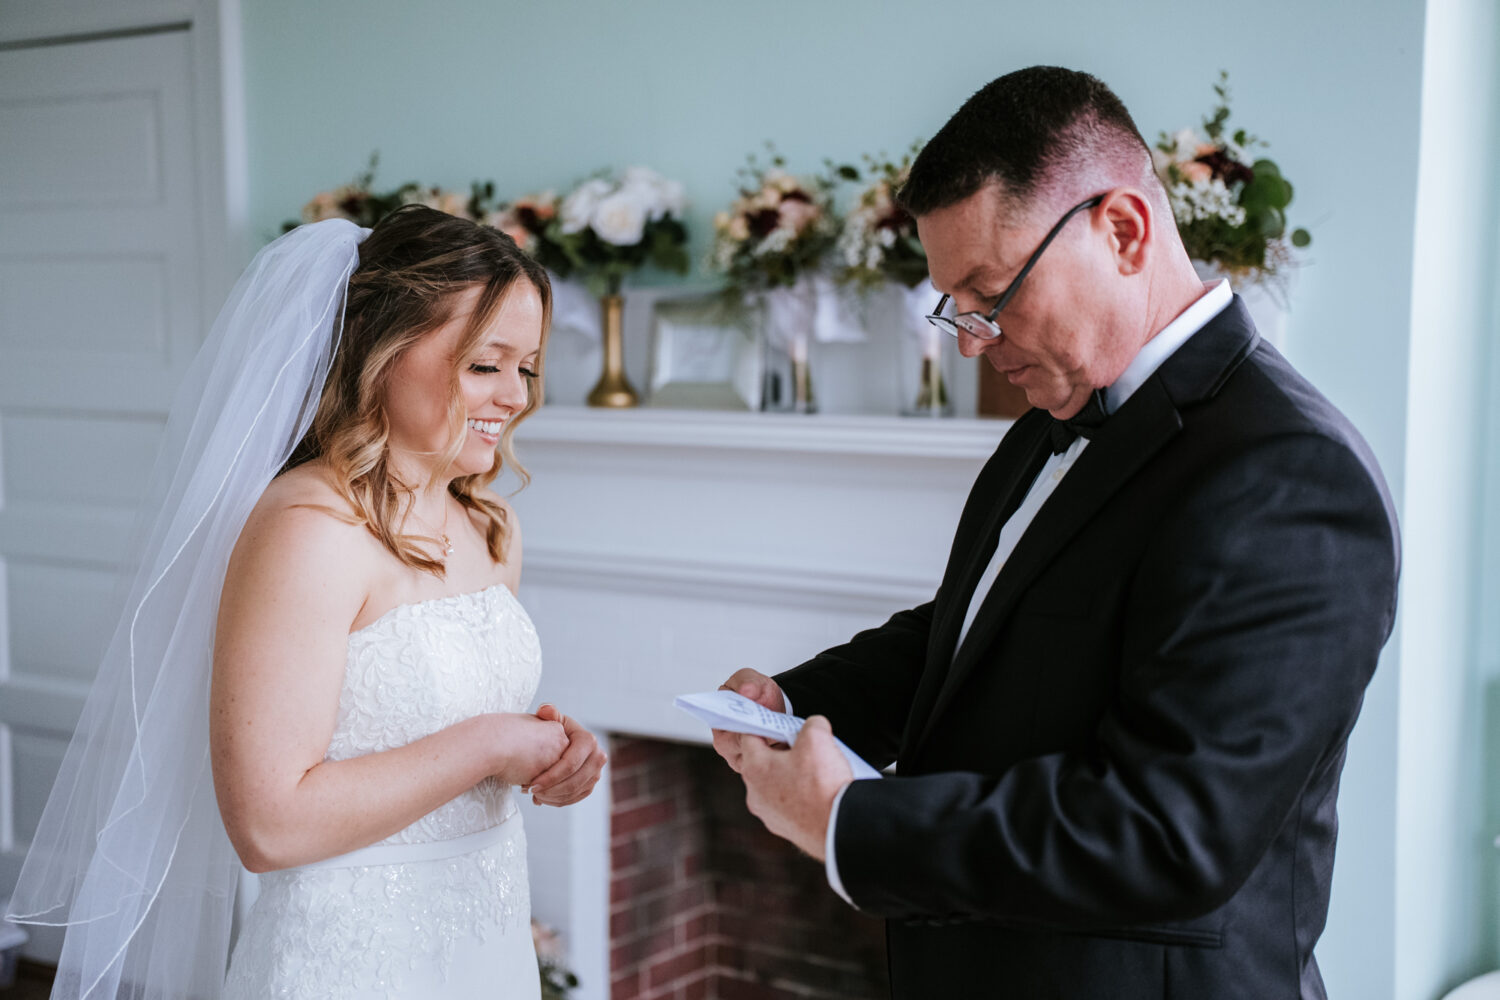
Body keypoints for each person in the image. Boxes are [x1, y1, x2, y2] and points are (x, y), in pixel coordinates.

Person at [713, 66, 1400, 1000]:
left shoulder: (1290, 474)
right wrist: (796, 703)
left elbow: (1167, 831)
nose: (971, 342)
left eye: (990, 294)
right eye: (956, 304)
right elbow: (975, 630)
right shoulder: (1054, 416)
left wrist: (851, 818)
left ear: (1123, 229)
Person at [7, 206, 605, 999]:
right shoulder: (309, 527)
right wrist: (492, 745)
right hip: (352, 961)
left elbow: (452, 741)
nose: (514, 396)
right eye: (483, 364)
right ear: (383, 349)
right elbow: (268, 824)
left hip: (483, 944)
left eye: (526, 368)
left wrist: (550, 753)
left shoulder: (491, 527)